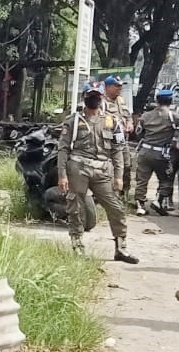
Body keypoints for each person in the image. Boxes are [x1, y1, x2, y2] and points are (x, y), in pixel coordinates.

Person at [57, 86, 138, 263]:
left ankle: (121, 248)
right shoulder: (73, 121)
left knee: (115, 207)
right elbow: (63, 149)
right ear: (84, 97)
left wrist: (118, 175)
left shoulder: (111, 121)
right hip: (78, 167)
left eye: (96, 96)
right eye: (90, 96)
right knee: (75, 207)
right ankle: (77, 246)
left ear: (101, 98)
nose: (93, 99)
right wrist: (62, 175)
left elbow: (118, 149)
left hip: (102, 169)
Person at [134, 88, 179, 215]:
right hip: (161, 154)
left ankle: (140, 206)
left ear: (157, 101)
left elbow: (138, 132)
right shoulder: (173, 116)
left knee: (142, 180)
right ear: (170, 100)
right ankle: (158, 200)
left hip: (144, 151)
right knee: (166, 178)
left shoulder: (145, 116)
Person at [100, 76, 133, 199]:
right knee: (111, 167)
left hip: (123, 140)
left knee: (127, 165)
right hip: (109, 141)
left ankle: (124, 192)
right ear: (108, 87)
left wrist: (129, 124)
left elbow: (128, 115)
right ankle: (110, 193)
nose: (120, 88)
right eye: (117, 86)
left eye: (121, 85)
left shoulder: (121, 100)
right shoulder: (101, 102)